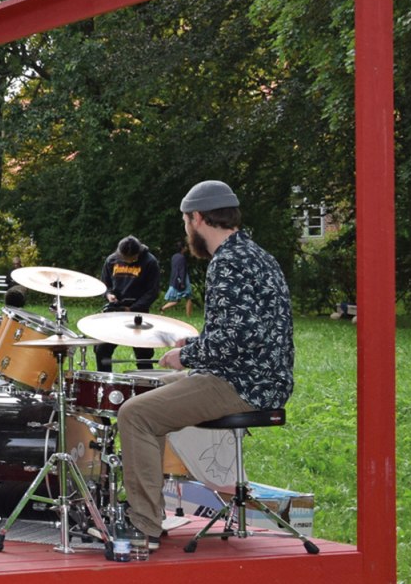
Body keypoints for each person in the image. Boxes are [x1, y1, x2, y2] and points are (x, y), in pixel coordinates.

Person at [119, 180, 295, 552]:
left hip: (242, 383)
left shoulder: (226, 263)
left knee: (136, 414)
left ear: (197, 218)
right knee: (157, 393)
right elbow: (248, 330)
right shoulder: (257, 255)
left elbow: (236, 338)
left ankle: (144, 526)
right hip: (265, 377)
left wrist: (185, 356)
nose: (187, 230)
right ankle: (153, 509)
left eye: (186, 223)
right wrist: (195, 344)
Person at [94, 235, 162, 371]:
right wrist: (109, 295)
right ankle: (105, 384)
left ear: (138, 253)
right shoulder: (112, 260)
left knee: (143, 355)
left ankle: (145, 387)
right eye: (125, 259)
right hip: (115, 313)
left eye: (132, 259)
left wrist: (132, 308)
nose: (129, 261)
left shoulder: (150, 262)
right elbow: (104, 284)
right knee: (101, 349)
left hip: (138, 314)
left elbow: (153, 291)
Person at [161, 241, 195, 316]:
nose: (186, 248)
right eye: (185, 247)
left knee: (176, 300)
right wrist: (182, 282)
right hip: (183, 278)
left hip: (174, 279)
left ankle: (163, 308)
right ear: (182, 248)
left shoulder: (174, 256)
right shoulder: (182, 257)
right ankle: (189, 316)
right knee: (189, 297)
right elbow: (182, 270)